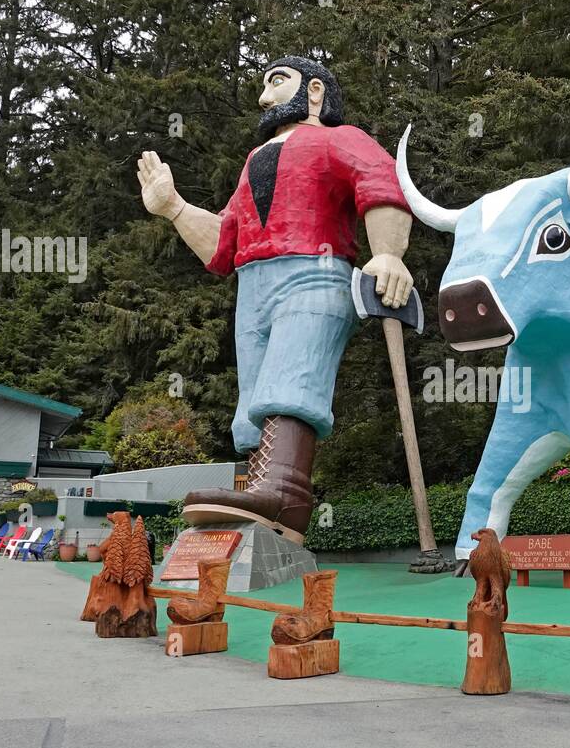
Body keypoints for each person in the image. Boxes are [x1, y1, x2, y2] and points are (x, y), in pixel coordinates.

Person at [136, 56, 414, 542]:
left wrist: (388, 253)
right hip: (252, 286)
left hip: (315, 272)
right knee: (253, 403)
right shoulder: (253, 162)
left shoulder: (339, 138)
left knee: (293, 376)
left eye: (277, 82)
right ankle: (258, 498)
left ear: (314, 93)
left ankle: (284, 494)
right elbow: (224, 243)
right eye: (262, 87)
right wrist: (175, 208)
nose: (264, 98)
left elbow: (380, 182)